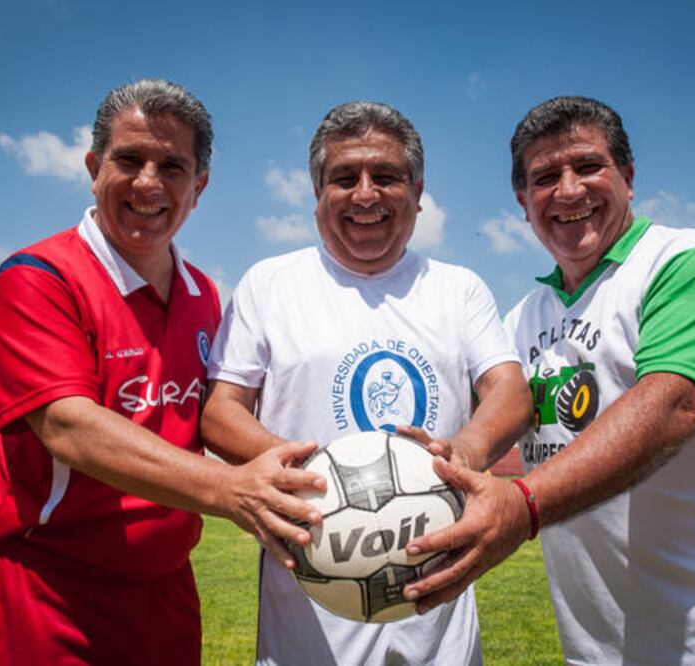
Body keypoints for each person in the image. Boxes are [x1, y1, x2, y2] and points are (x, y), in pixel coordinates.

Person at [403, 96, 695, 664]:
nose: (568, 190)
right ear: (522, 203)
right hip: (601, 650)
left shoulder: (689, 263)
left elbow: (670, 406)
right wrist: (462, 449)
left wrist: (521, 507)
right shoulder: (523, 318)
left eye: (588, 166)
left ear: (628, 178)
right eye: (544, 177)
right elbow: (504, 409)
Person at [0, 79, 324, 666]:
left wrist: (313, 471)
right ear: (93, 167)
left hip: (167, 594)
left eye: (172, 166)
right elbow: (70, 427)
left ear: (198, 186)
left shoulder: (204, 293)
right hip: (53, 594)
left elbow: (212, 417)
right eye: (129, 160)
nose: (149, 183)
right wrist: (229, 490)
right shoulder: (38, 277)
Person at [202, 101, 530, 665]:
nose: (365, 194)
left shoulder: (458, 288)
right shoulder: (269, 284)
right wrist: (309, 476)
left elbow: (510, 391)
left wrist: (466, 450)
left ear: (418, 190)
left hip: (438, 613)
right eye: (344, 178)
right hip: (308, 610)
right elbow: (220, 412)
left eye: (385, 176)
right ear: (316, 193)